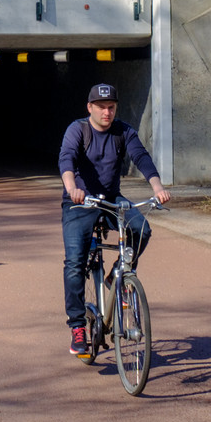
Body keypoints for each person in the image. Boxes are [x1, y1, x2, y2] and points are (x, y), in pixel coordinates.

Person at [58, 83, 171, 356]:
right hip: (81, 202)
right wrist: (72, 187)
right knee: (75, 263)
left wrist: (157, 188)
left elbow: (140, 157)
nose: (107, 112)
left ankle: (117, 276)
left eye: (111, 107)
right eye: (101, 107)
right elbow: (67, 158)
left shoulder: (123, 131)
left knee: (140, 229)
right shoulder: (78, 130)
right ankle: (77, 327)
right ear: (90, 108)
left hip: (111, 199)